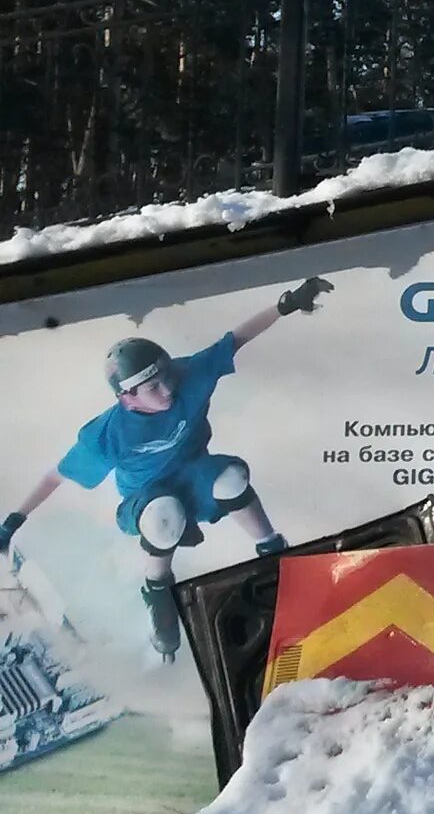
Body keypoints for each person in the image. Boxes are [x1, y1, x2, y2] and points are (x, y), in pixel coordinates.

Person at [2, 277, 331, 660]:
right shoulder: (108, 433)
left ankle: (275, 553)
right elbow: (54, 476)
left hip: (194, 475)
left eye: (166, 379)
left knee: (231, 478)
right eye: (153, 388)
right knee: (164, 515)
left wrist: (287, 304)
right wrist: (12, 522)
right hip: (146, 500)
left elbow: (236, 339)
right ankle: (159, 595)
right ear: (127, 399)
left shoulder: (186, 375)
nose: (168, 391)